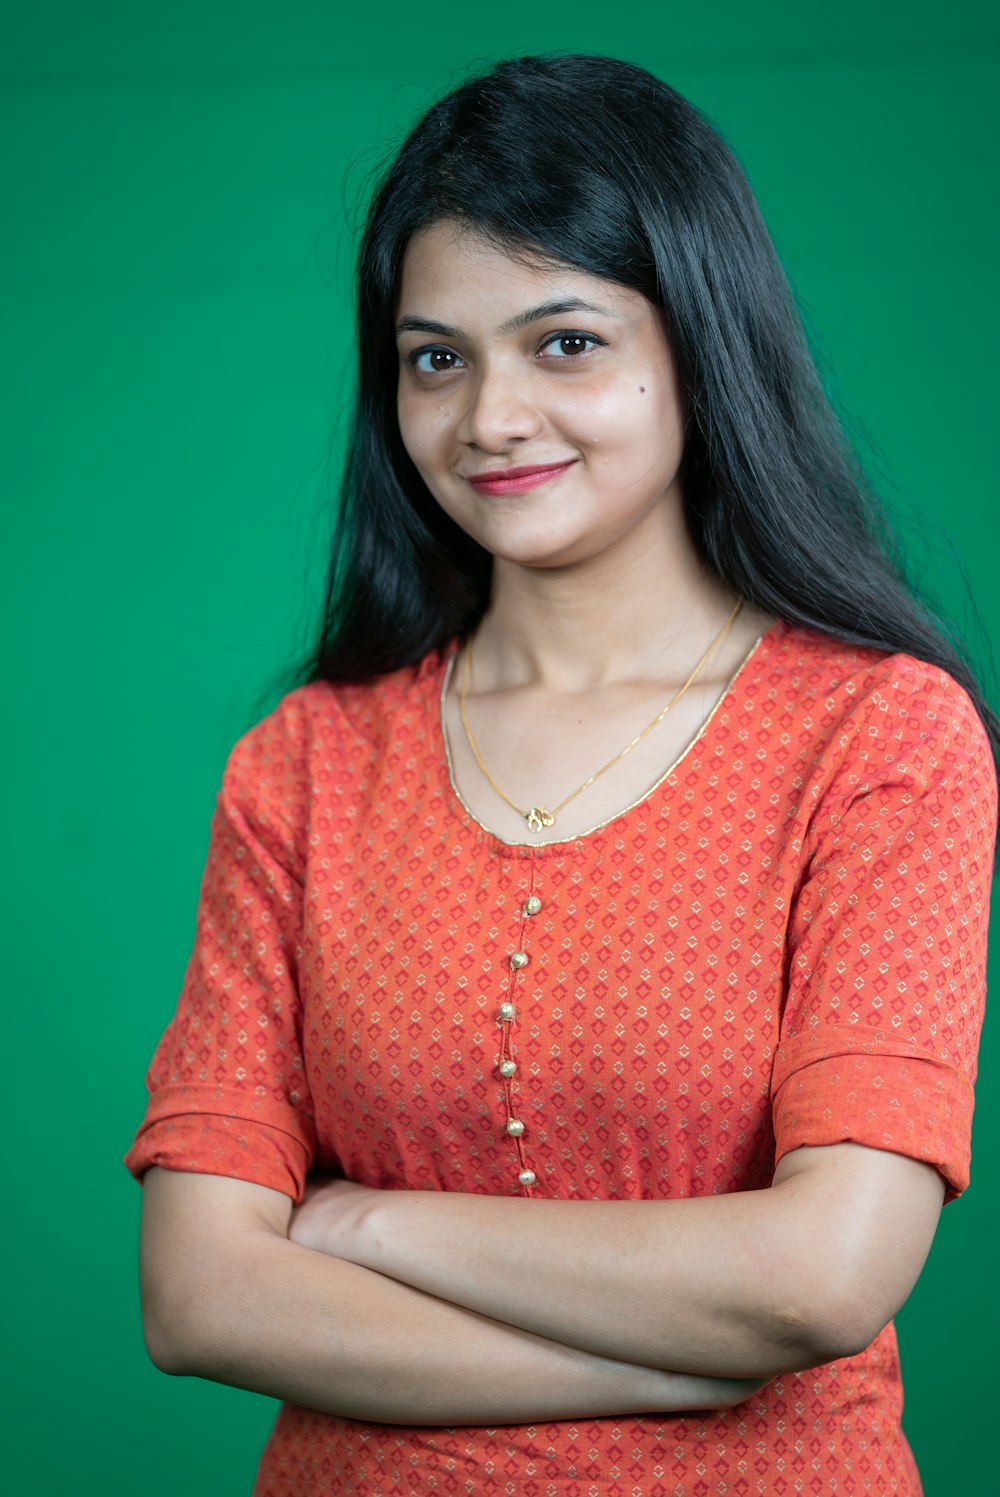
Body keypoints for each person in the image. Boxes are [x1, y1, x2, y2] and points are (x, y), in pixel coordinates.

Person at [126, 53, 998, 1497]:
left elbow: (824, 1277)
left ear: (700, 343)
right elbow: (200, 1295)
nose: (490, 419)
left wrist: (372, 1224)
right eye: (436, 356)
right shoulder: (305, 765)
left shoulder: (880, 736)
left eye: (566, 342)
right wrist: (679, 1355)